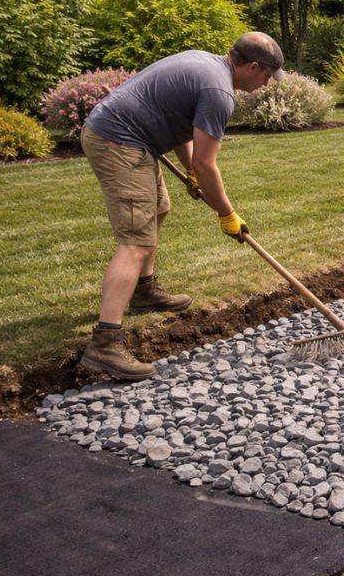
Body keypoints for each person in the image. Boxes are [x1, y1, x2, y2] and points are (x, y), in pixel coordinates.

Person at [78, 31, 285, 380]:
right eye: (267, 76)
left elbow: (182, 129)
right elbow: (207, 164)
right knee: (135, 240)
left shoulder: (206, 63)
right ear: (252, 66)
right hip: (118, 140)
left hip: (130, 137)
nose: (267, 83)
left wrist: (190, 170)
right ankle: (105, 343)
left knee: (158, 208)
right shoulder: (219, 93)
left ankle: (144, 291)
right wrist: (227, 214)